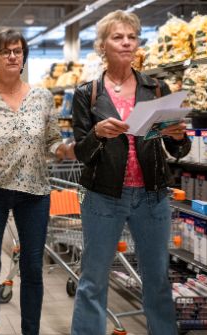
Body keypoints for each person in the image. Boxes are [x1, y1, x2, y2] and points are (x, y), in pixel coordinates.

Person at [70, 10, 189, 334]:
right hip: (104, 198)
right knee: (93, 280)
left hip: (152, 197)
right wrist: (98, 134)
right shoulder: (87, 93)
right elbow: (81, 150)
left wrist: (178, 138)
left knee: (157, 279)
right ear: (102, 46)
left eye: (131, 37)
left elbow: (178, 150)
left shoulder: (157, 87)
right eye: (117, 37)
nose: (126, 43)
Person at [0, 29, 74, 335]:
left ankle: (30, 331)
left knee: (33, 267)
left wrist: (63, 149)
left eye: (18, 51)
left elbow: (51, 141)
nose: (12, 56)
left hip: (34, 191)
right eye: (5, 51)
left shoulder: (42, 98)